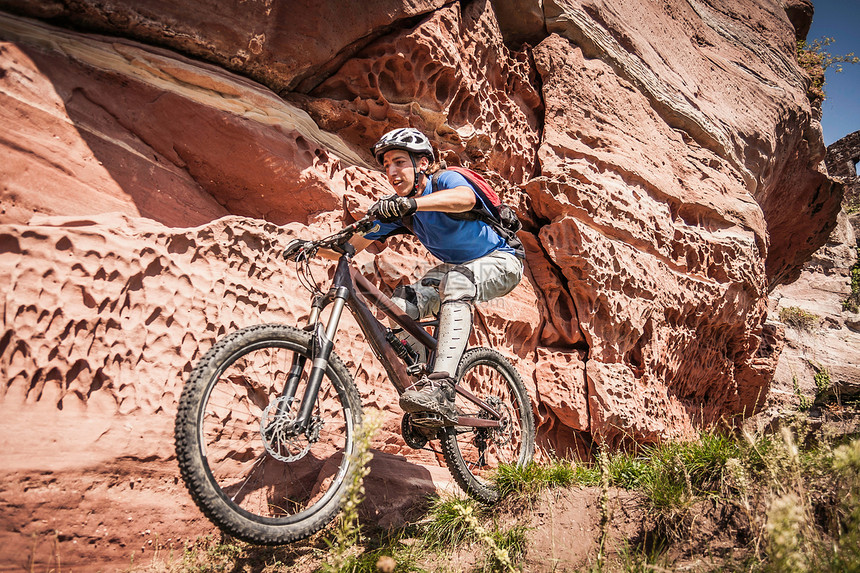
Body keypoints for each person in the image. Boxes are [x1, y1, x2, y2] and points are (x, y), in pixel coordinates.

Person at [348, 127, 524, 425]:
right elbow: (356, 244)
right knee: (399, 306)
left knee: (456, 283)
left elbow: (464, 199)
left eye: (400, 162)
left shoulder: (446, 180)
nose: (392, 171)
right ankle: (424, 387)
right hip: (456, 268)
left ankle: (441, 386)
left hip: (503, 260)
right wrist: (318, 247)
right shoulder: (402, 210)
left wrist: (411, 204)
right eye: (387, 165)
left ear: (423, 164)